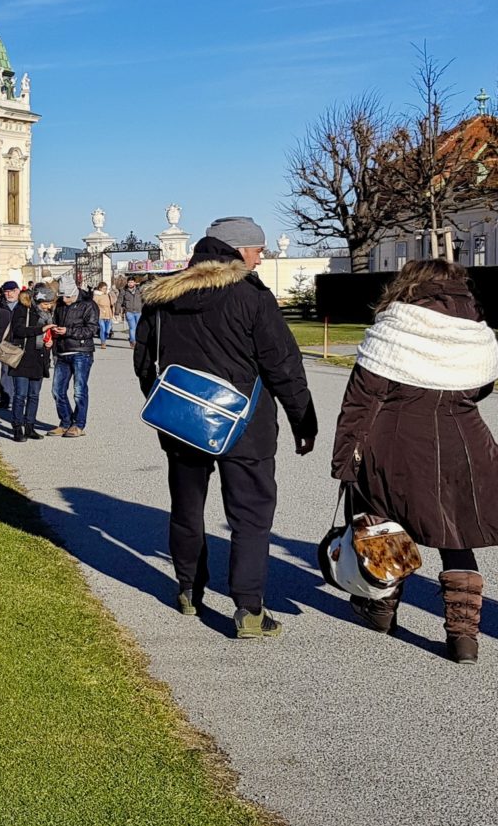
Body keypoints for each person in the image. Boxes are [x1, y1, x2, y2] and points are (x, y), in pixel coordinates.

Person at [134, 218, 317, 638]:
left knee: (186, 507)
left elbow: (146, 361)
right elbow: (282, 364)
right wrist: (302, 419)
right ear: (236, 250)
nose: (261, 255)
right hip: (246, 423)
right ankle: (249, 610)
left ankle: (187, 592)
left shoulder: (165, 295)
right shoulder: (251, 296)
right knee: (250, 515)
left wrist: (163, 402)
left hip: (182, 420)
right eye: (257, 248)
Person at [329, 259, 498, 661]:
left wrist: (345, 460)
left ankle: (381, 609)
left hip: (394, 441)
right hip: (465, 442)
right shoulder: (477, 331)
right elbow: (480, 389)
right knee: (456, 537)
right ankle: (464, 637)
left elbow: (361, 400)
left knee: (382, 527)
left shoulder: (393, 328)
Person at [0, 282, 48, 438]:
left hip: (38, 358)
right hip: (22, 357)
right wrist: (40, 330)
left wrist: (49, 341)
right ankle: (17, 427)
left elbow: (47, 334)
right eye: (43, 301)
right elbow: (19, 330)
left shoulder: (46, 313)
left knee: (34, 395)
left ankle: (30, 426)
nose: (45, 304)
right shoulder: (22, 310)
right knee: (20, 395)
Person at [51, 285, 101, 436]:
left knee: (79, 390)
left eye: (67, 297)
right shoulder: (60, 305)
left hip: (81, 352)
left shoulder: (89, 305)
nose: (64, 300)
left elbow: (92, 329)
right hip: (62, 351)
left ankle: (79, 424)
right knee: (57, 390)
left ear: (74, 293)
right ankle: (65, 421)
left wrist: (68, 331)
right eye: (62, 297)